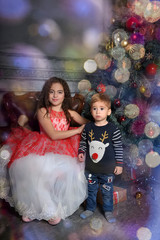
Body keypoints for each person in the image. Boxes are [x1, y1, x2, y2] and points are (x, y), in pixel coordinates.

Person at [0, 77, 88, 225]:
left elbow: (89, 124)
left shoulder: (70, 113)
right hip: (42, 145)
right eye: (51, 92)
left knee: (68, 169)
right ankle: (35, 209)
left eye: (59, 92)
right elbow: (53, 135)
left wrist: (100, 123)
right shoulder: (43, 111)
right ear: (46, 94)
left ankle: (45, 208)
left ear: (64, 95)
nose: (55, 95)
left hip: (64, 149)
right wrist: (77, 130)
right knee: (29, 167)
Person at [78, 93, 123, 223]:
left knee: (107, 192)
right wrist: (81, 151)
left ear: (108, 112)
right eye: (95, 108)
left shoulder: (113, 129)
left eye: (102, 108)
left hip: (107, 169)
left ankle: (108, 210)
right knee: (91, 191)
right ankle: (90, 209)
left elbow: (118, 147)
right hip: (91, 169)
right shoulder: (88, 127)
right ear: (91, 110)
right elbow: (83, 141)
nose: (98, 112)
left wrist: (119, 164)